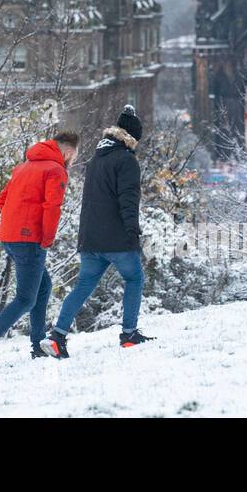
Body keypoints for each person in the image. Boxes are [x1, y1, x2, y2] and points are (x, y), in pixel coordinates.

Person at [44, 105, 154, 358]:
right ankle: (128, 334)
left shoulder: (96, 160)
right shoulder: (127, 160)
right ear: (131, 138)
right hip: (117, 238)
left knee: (83, 285)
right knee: (134, 279)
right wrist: (132, 230)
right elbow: (129, 198)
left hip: (91, 239)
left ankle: (58, 336)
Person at [0, 130, 80, 371]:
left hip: (10, 236)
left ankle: (38, 344)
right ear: (68, 151)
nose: (73, 161)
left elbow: (2, 199)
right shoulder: (55, 170)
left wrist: (16, 222)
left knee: (43, 286)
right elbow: (52, 207)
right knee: (26, 298)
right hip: (30, 240)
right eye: (74, 157)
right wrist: (46, 238)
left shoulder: (24, 167)